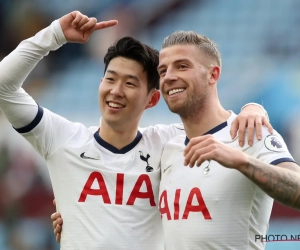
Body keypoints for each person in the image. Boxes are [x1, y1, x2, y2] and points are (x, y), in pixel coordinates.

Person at [0, 11, 271, 249]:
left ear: (152, 99)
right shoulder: (61, 139)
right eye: (110, 79)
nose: (116, 91)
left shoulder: (169, 143)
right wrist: (55, 34)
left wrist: (253, 109)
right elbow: (4, 86)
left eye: (130, 83)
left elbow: (215, 122)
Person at [157, 31, 300, 250]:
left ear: (213, 75)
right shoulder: (166, 145)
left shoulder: (249, 132)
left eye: (182, 66)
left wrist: (241, 161)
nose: (168, 77)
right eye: (163, 70)